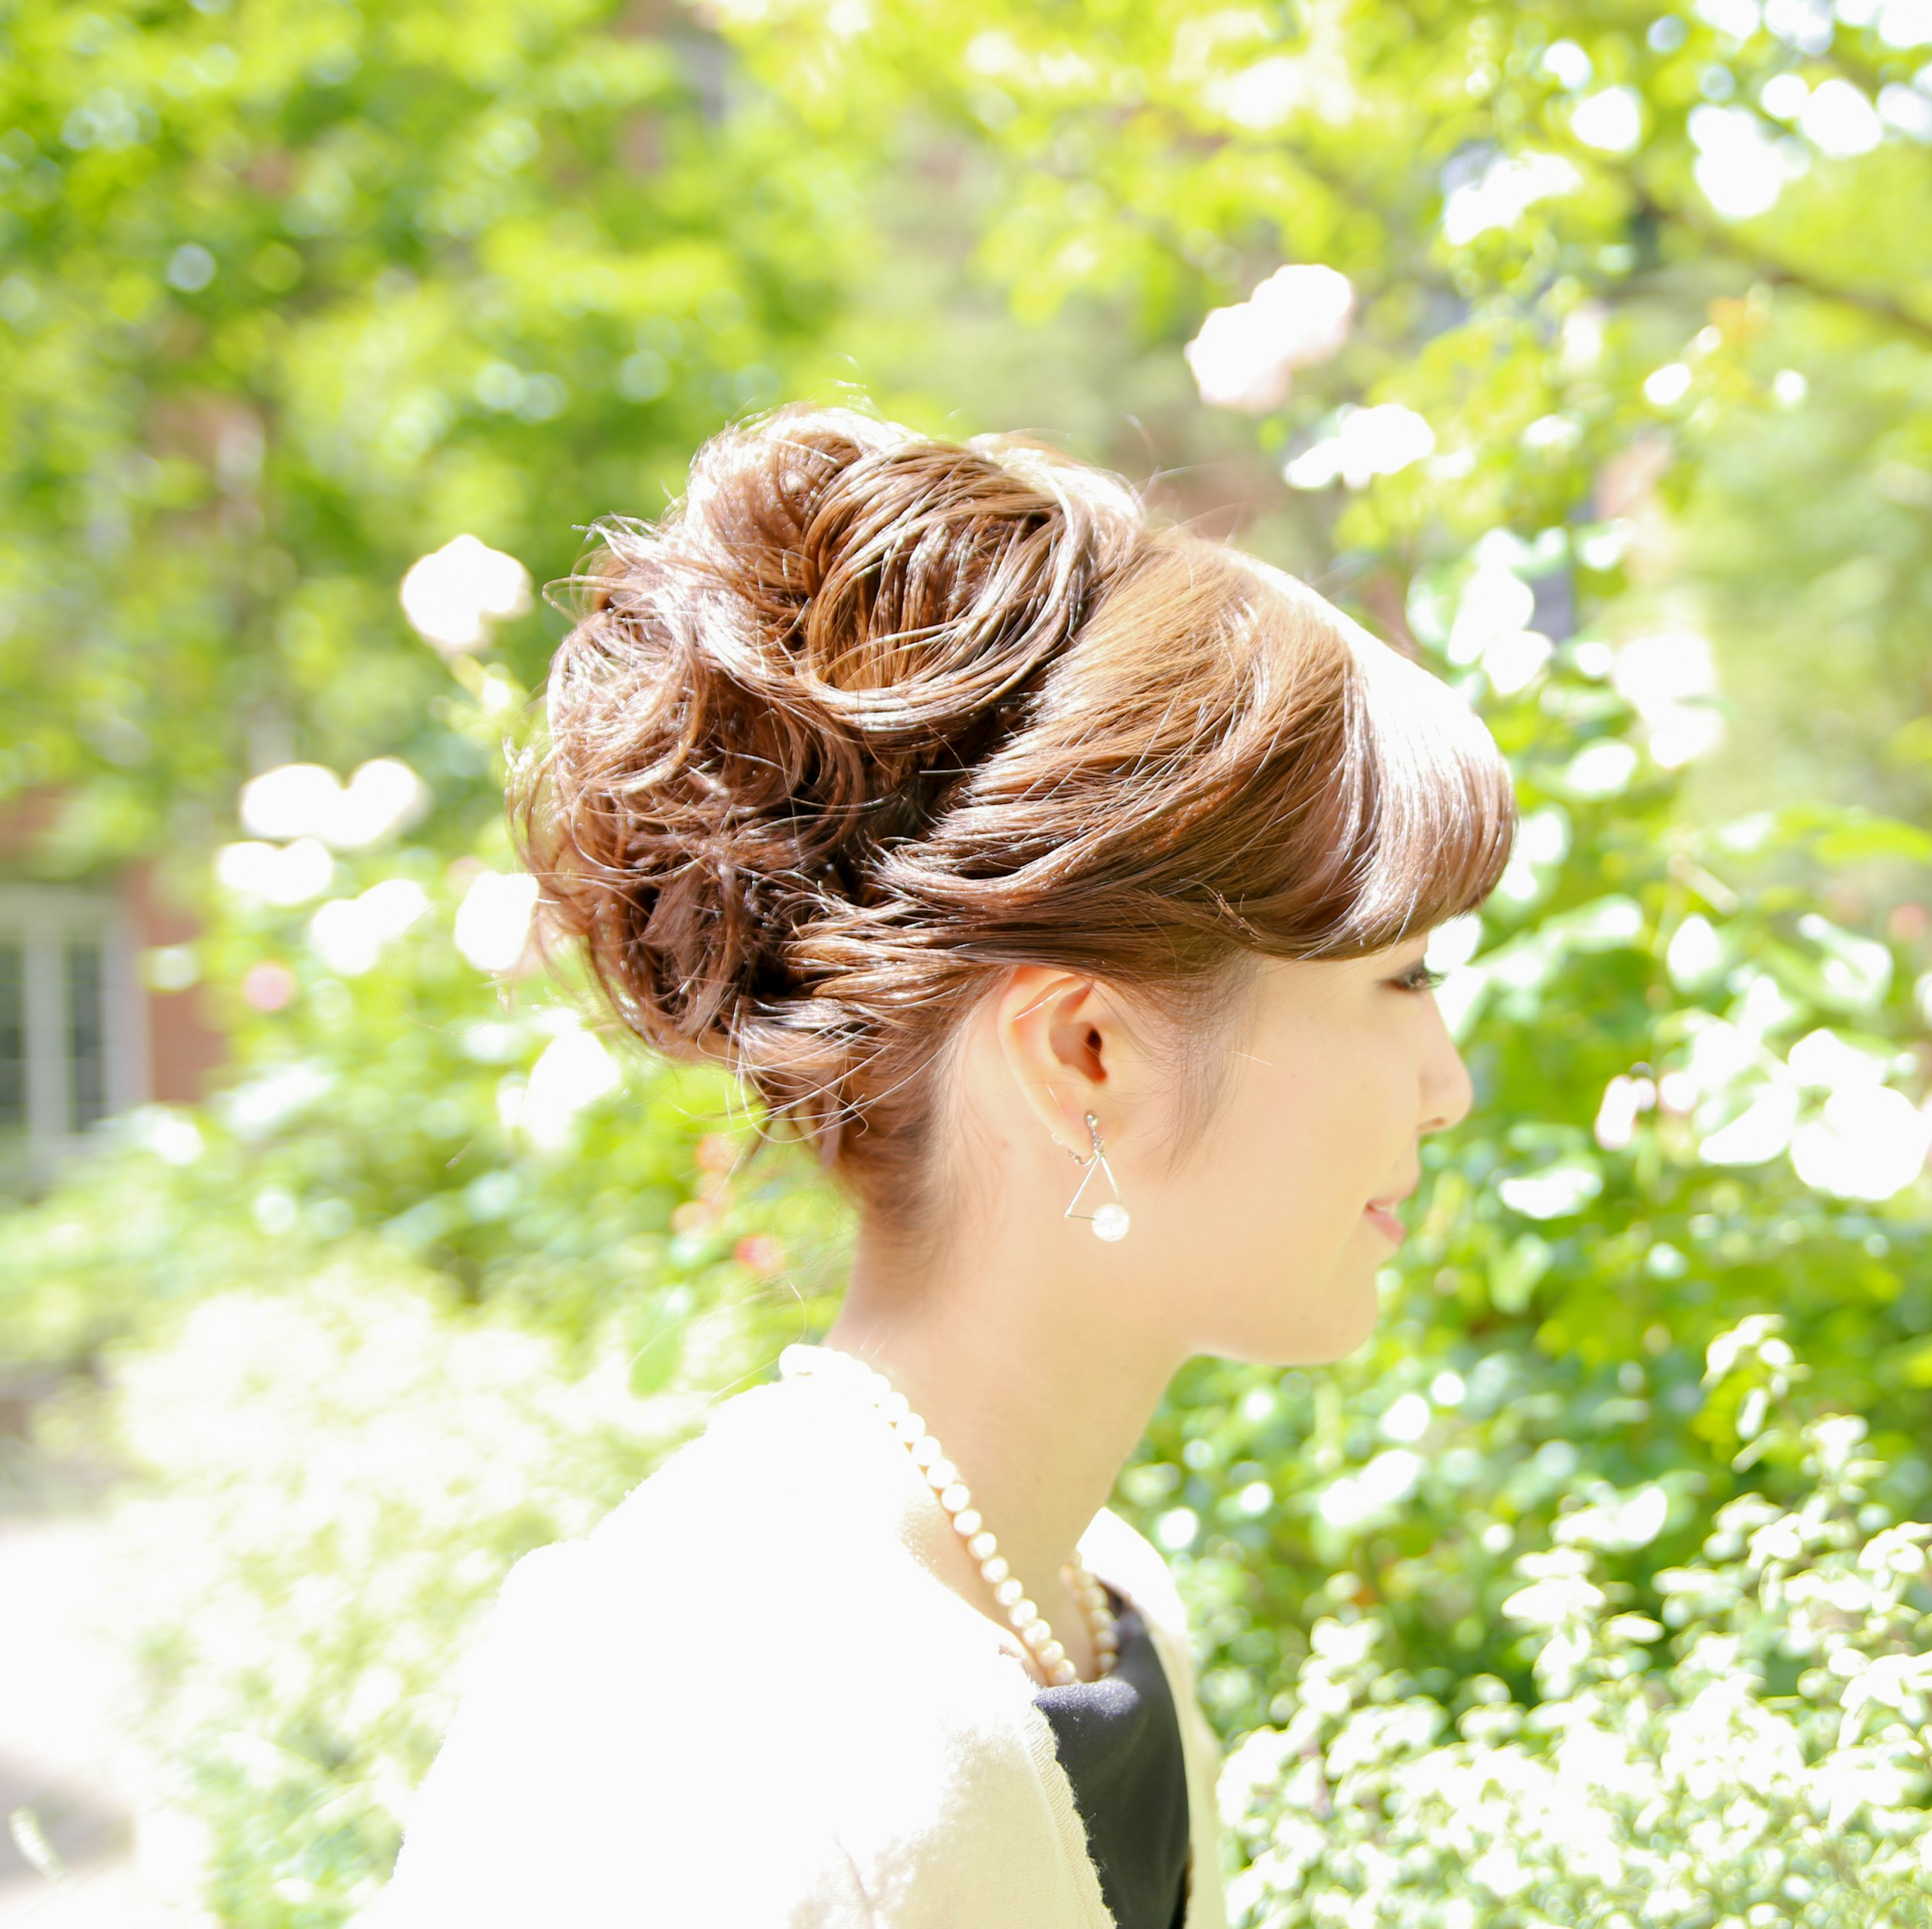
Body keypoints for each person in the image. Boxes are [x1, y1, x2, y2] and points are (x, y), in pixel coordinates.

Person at [362, 405, 1515, 1927]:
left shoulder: (1091, 1605)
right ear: (1086, 1052)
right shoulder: (731, 1726)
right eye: (1405, 981)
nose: (1448, 1089)